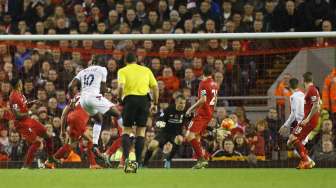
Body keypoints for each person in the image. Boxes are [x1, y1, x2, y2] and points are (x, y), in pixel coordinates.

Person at [117, 52, 159, 173]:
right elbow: (155, 87)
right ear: (136, 60)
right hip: (144, 100)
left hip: (130, 99)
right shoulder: (146, 70)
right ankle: (138, 162)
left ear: (126, 61)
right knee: (141, 131)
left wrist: (120, 99)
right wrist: (155, 103)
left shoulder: (123, 71)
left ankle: (126, 160)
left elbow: (120, 86)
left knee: (127, 129)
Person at [68, 57, 121, 150]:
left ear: (92, 62)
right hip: (94, 96)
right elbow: (103, 89)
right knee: (118, 114)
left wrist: (72, 99)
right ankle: (127, 134)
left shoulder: (83, 71)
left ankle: (95, 145)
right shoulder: (102, 69)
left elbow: (70, 86)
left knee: (98, 119)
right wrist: (110, 92)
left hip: (83, 100)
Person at [9, 78, 53, 168]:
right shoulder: (13, 96)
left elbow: (24, 106)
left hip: (28, 120)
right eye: (21, 82)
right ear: (18, 84)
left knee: (47, 135)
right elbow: (17, 115)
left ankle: (50, 160)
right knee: (36, 142)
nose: (22, 83)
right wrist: (30, 111)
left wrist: (32, 103)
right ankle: (25, 167)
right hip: (21, 123)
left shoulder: (20, 94)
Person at [49, 95, 101, 169]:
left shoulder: (76, 97)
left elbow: (63, 114)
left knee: (72, 144)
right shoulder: (94, 97)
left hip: (71, 118)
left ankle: (49, 162)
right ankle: (93, 164)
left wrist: (62, 131)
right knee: (92, 140)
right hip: (79, 119)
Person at [185, 65, 218, 169]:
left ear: (202, 73)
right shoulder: (215, 84)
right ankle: (201, 161)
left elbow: (203, 99)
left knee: (189, 136)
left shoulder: (203, 83)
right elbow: (215, 100)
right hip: (209, 113)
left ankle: (202, 159)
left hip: (202, 114)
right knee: (197, 136)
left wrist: (190, 108)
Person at [143, 95, 187, 168]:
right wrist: (159, 123)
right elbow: (159, 119)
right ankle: (144, 164)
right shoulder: (168, 110)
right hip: (164, 133)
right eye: (180, 103)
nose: (182, 105)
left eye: (184, 103)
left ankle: (168, 160)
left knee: (180, 139)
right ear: (176, 102)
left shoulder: (185, 112)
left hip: (176, 134)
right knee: (152, 145)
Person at [287, 72, 320, 169]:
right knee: (293, 141)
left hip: (309, 120)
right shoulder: (311, 90)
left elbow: (316, 105)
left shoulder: (312, 90)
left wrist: (308, 118)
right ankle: (306, 161)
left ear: (303, 80)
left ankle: (306, 160)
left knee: (292, 137)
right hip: (309, 120)